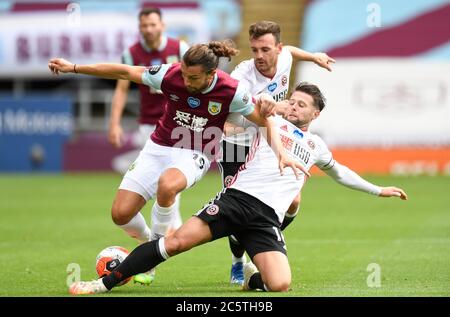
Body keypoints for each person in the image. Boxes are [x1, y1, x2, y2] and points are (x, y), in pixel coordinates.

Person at [67, 82, 407, 294]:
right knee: (174, 243)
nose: (292, 107)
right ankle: (103, 284)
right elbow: (238, 109)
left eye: (301, 105)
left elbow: (341, 172)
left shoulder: (317, 146)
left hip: (265, 221)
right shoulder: (266, 124)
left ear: (314, 115)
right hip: (235, 202)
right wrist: (260, 110)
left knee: (280, 285)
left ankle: (248, 276)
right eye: (291, 101)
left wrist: (378, 190)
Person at [48, 39, 306, 285]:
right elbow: (125, 71)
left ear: (211, 74)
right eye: (183, 74)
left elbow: (264, 120)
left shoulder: (233, 90)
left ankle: (151, 255)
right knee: (120, 214)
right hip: (159, 146)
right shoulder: (170, 74)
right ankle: (150, 239)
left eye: (192, 78)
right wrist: (73, 67)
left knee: (168, 185)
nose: (185, 81)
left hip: (197, 152)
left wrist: (282, 152)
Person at [220, 20, 336, 285]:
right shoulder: (241, 78)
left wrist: (314, 57)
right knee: (237, 212)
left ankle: (262, 241)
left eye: (265, 49)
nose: (259, 56)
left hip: (268, 141)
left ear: (277, 48)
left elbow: (292, 51)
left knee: (293, 202)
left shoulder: (284, 56)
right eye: (254, 50)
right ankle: (238, 262)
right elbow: (227, 126)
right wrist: (271, 111)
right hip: (237, 146)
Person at [108, 7, 189, 285]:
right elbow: (121, 89)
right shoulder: (132, 53)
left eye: (153, 24)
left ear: (162, 24)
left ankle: (167, 234)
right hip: (149, 127)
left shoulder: (180, 48)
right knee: (152, 184)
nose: (149, 29)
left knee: (170, 182)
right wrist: (114, 122)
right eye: (144, 25)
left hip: (179, 125)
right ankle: (154, 239)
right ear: (140, 27)